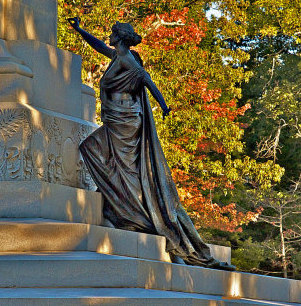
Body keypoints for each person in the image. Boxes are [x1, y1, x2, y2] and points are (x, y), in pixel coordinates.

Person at [68, 17, 235, 271]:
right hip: (117, 118)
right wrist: (80, 30)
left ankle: (134, 213)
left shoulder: (127, 60)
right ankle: (120, 206)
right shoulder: (117, 55)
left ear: (121, 37)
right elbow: (97, 46)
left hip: (125, 121)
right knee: (97, 153)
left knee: (100, 153)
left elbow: (146, 79)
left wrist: (164, 105)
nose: (109, 36)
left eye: (113, 33)